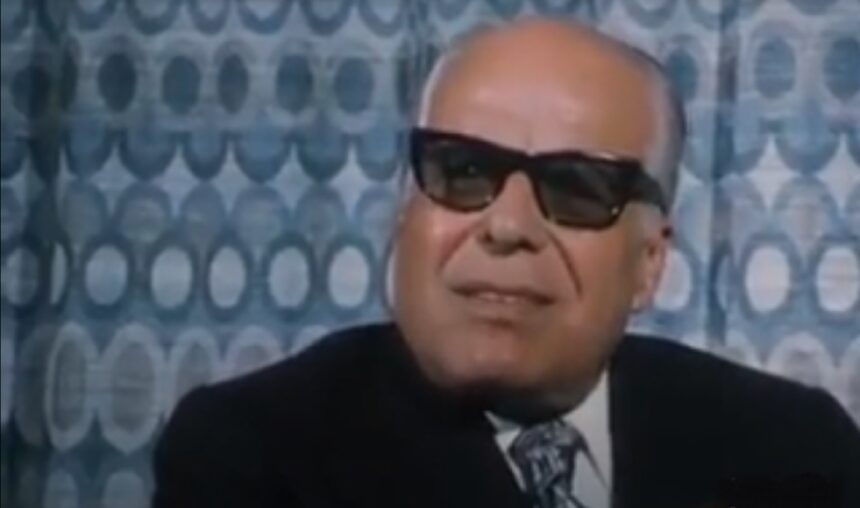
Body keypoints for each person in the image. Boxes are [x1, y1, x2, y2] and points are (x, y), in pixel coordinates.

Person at [151, 18, 860, 508]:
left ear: (650, 261)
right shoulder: (252, 453)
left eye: (576, 188)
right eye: (462, 172)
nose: (508, 227)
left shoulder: (793, 446)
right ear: (404, 215)